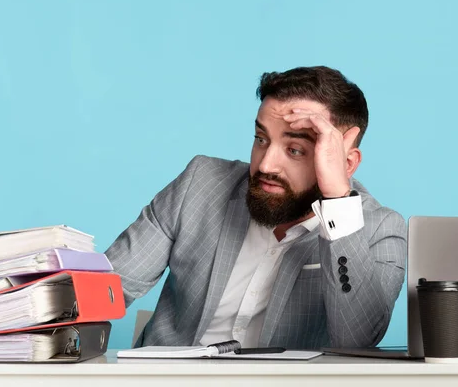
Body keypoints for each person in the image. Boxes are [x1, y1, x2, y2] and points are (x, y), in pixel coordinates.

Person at [105, 66, 407, 349]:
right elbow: (108, 286)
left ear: (346, 162)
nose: (265, 164)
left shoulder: (379, 229)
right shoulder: (200, 184)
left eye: (295, 150)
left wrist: (337, 202)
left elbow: (356, 340)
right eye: (261, 139)